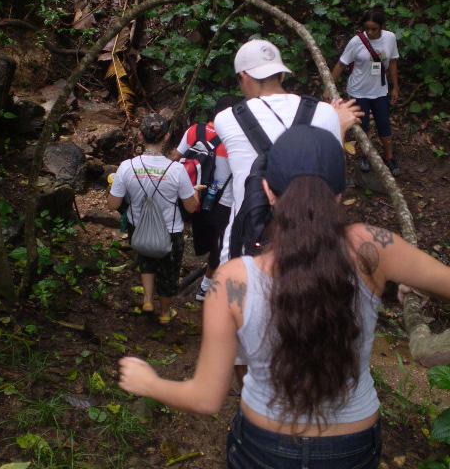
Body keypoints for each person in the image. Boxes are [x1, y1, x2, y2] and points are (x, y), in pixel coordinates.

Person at [118, 125, 450, 469]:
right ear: (340, 194)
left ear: (267, 191)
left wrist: (150, 383)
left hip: (264, 446)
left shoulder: (233, 279)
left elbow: (205, 399)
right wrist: (413, 283)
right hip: (352, 445)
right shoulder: (374, 247)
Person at [213, 38, 362, 267]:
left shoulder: (225, 119)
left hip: (247, 246)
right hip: (310, 242)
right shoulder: (325, 113)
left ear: (243, 77)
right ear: (282, 75)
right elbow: (332, 172)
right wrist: (338, 125)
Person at [108, 114, 200, 325]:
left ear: (140, 136)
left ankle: (148, 300)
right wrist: (195, 192)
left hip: (138, 228)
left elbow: (113, 204)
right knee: (168, 274)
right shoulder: (177, 170)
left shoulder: (127, 167)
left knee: (146, 260)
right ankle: (165, 313)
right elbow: (190, 207)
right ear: (166, 137)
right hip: (170, 233)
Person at [172, 95, 238, 302]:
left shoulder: (194, 130)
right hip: (221, 201)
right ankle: (205, 288)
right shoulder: (235, 140)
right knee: (219, 244)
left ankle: (168, 277)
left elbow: (176, 158)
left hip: (190, 194)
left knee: (178, 233)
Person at [330, 5, 400, 175]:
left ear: (382, 26)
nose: (370, 32)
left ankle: (389, 157)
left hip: (380, 90)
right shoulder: (356, 41)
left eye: (374, 29)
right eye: (367, 28)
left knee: (384, 124)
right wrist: (328, 86)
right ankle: (365, 156)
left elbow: (392, 62)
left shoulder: (390, 38)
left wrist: (395, 87)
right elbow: (341, 64)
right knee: (363, 126)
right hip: (358, 91)